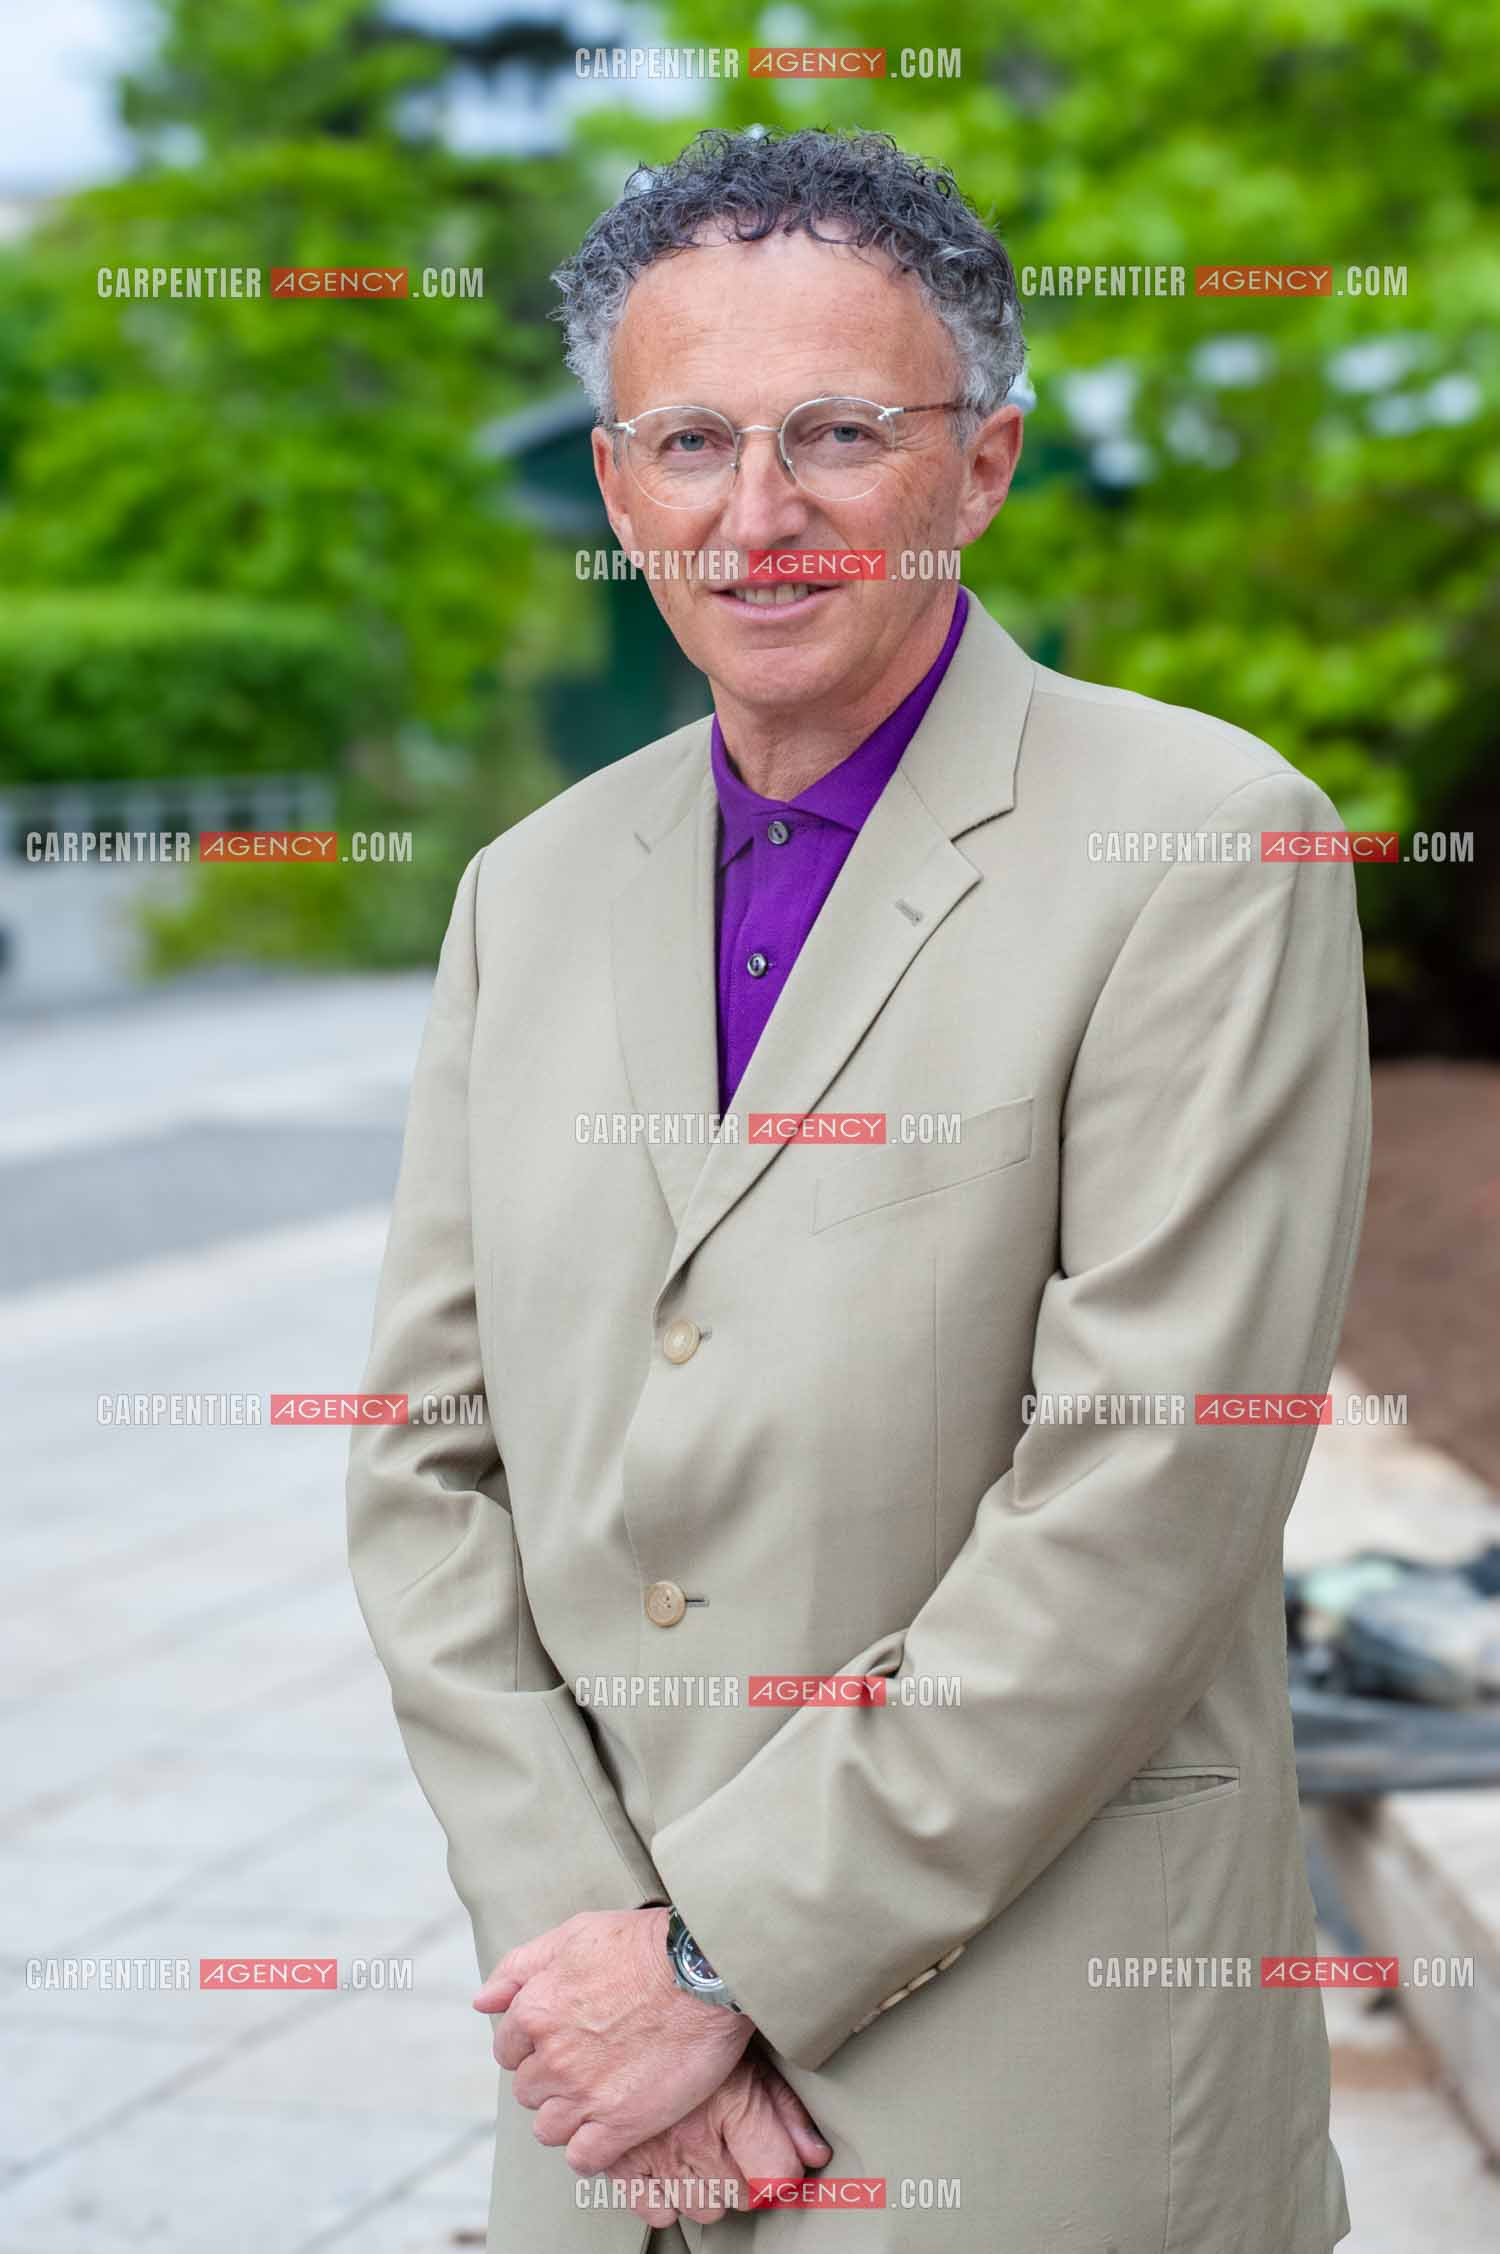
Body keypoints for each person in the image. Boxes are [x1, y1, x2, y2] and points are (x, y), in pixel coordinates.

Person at [348, 125, 1368, 2252]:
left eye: (838, 433)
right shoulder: (523, 896)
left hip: (1032, 2087)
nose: (760, 511)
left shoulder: (1206, 845)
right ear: (619, 492)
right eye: (691, 442)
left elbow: (1146, 1495)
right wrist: (595, 1959)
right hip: (614, 2096)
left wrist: (719, 1963)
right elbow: (429, 1471)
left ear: (980, 465)